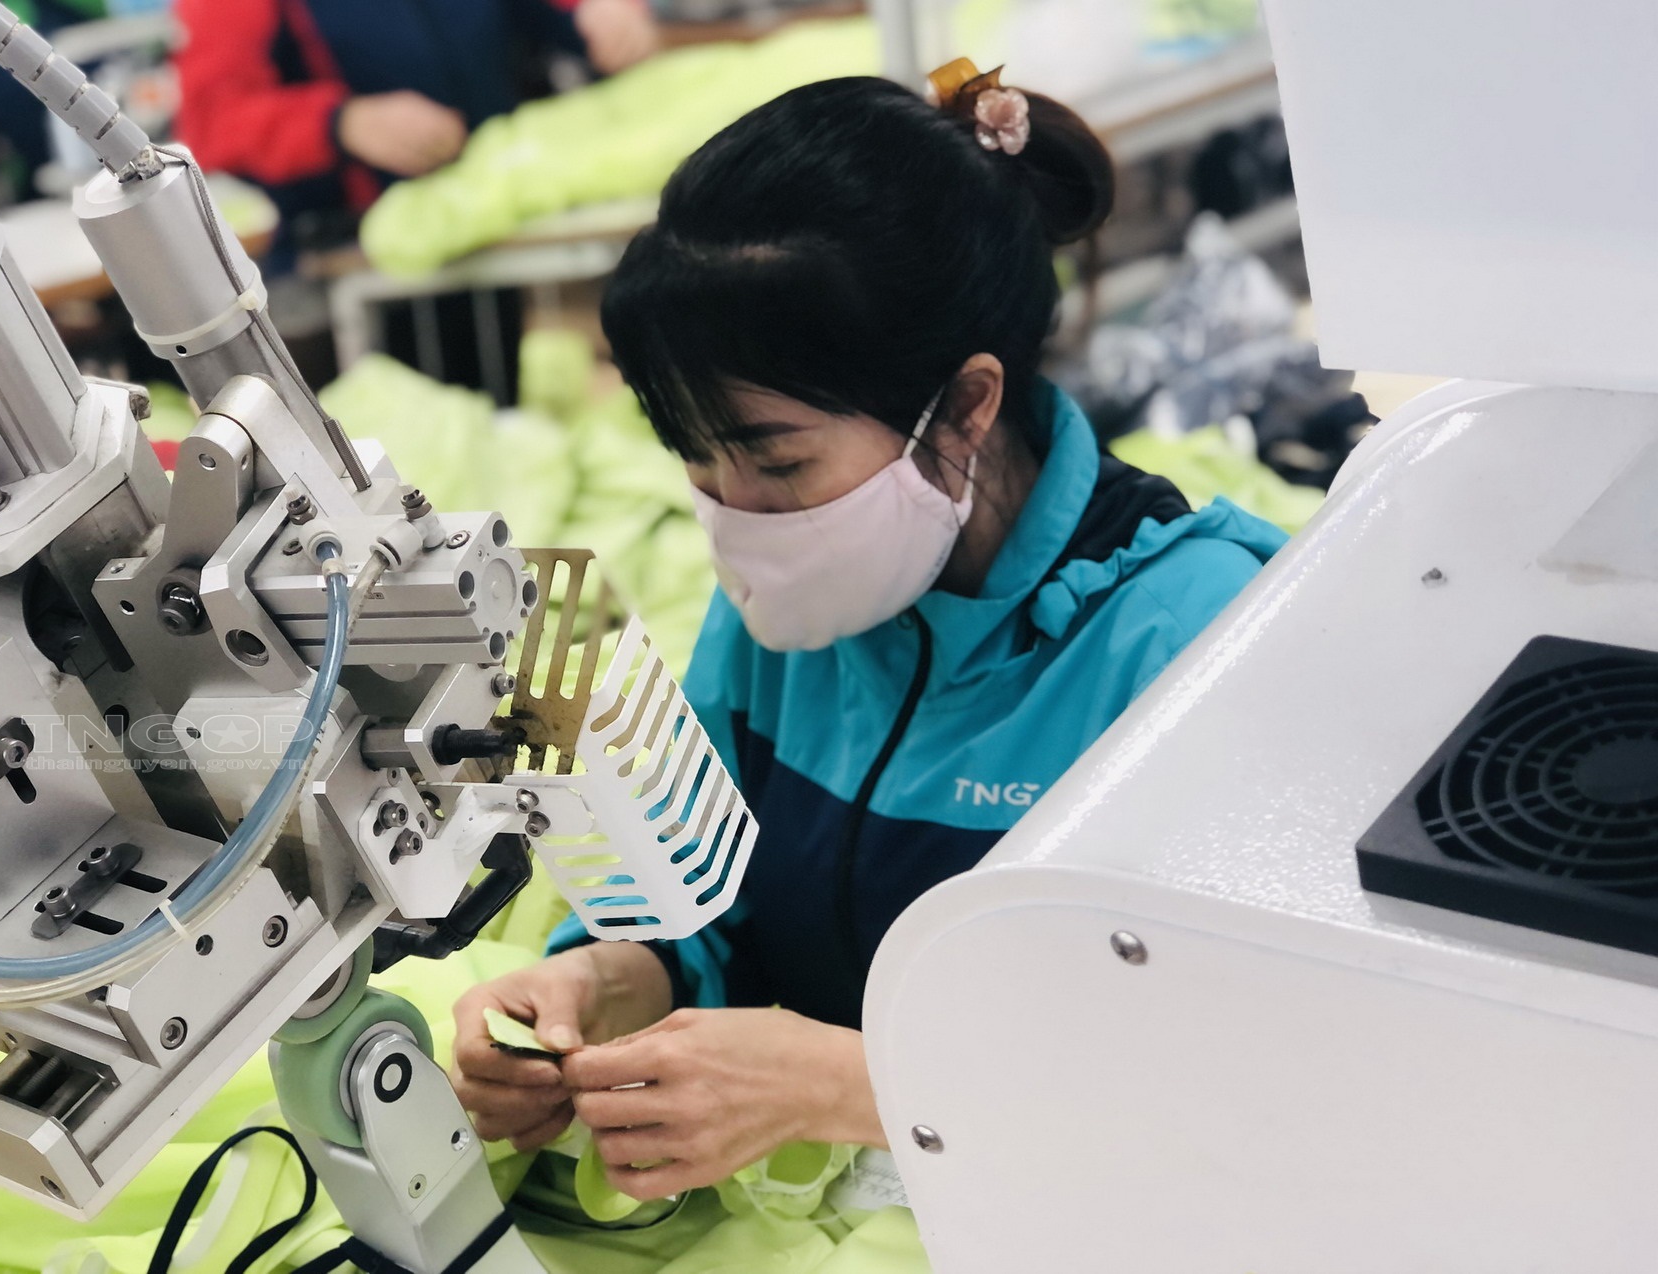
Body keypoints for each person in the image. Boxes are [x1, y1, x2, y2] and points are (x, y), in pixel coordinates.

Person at [450, 63, 1288, 1200]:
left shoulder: (1192, 643)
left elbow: (1245, 1083)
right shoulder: (795, 608)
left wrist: (847, 1087)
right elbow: (711, 906)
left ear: (969, 406)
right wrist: (607, 985)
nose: (734, 514)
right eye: (695, 459)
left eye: (778, 461)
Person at [172, 0, 658, 224]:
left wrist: (604, 12)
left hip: (505, 227)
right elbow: (211, 123)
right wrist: (343, 123)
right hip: (354, 252)